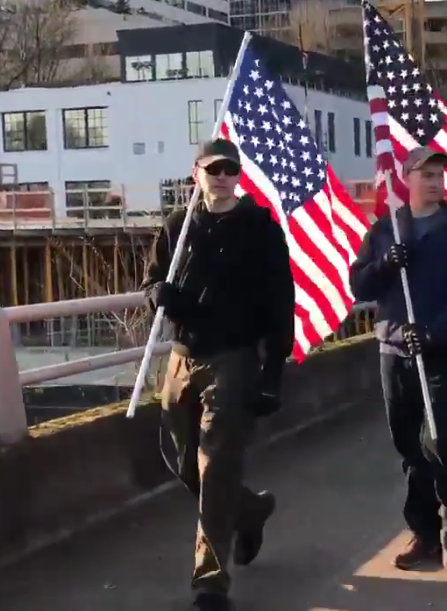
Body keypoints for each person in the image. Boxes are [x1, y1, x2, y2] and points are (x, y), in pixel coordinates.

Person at [142, 139, 294, 611]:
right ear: (197, 174)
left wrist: (273, 372)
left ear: (239, 176)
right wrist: (158, 296)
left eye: (230, 169)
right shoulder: (179, 225)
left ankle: (209, 581)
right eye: (214, 169)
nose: (222, 176)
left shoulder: (260, 229)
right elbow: (151, 280)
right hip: (183, 357)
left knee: (216, 464)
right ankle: (249, 511)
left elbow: (280, 303)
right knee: (182, 460)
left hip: (235, 358)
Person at [349, 147, 447, 570]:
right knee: (410, 446)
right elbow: (360, 285)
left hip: (441, 354)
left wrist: (433, 333)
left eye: (438, 175)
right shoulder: (386, 230)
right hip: (394, 351)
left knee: (440, 439)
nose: (433, 181)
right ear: (407, 178)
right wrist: (387, 265)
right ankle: (423, 531)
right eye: (425, 174)